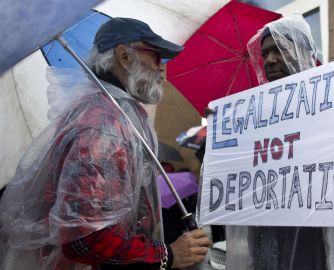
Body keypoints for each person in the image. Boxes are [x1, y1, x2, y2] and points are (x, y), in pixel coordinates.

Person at [0, 18, 211, 270]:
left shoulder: (113, 114)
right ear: (124, 56)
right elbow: (83, 237)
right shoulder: (103, 126)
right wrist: (167, 255)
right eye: (155, 55)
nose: (161, 67)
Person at [225, 15, 334, 270]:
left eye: (280, 49)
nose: (270, 60)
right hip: (267, 242)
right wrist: (227, 135)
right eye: (265, 54)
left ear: (305, 51)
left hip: (319, 245)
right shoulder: (256, 119)